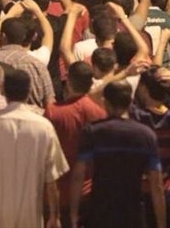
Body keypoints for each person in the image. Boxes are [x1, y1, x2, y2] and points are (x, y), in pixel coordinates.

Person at [0, 69, 68, 228]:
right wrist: (54, 215)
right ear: (29, 90)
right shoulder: (44, 127)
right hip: (29, 218)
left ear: (3, 90)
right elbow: (52, 181)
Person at [70, 80, 166, 228]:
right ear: (130, 102)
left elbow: (78, 175)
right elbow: (157, 185)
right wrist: (161, 224)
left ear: (105, 102)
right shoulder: (146, 135)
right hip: (133, 212)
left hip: (100, 211)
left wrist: (73, 214)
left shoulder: (93, 132)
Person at [44, 62, 107, 226]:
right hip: (90, 191)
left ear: (69, 82)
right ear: (91, 83)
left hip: (58, 193)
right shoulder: (100, 112)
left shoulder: (53, 112)